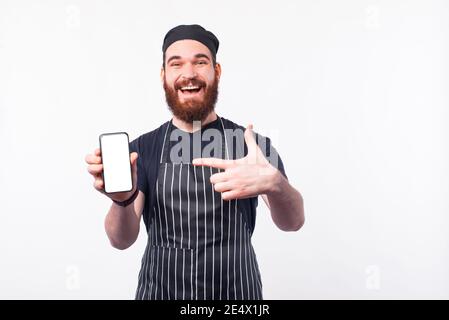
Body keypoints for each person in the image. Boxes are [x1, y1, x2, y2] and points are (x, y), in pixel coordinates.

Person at [85, 24, 305, 300]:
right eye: (176, 64)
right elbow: (121, 240)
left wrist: (276, 185)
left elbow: (293, 222)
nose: (189, 73)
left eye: (200, 62)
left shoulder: (252, 145)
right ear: (164, 75)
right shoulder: (142, 149)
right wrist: (121, 200)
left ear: (217, 71)